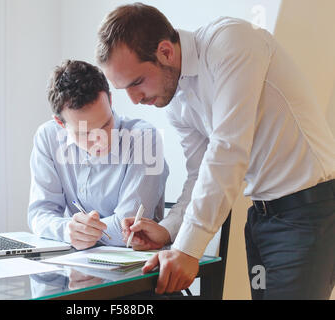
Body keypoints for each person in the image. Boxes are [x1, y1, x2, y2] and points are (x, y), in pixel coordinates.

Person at [96, 3, 335, 299]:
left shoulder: (232, 42)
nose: (134, 100)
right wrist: (169, 230)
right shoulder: (177, 102)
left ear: (165, 52)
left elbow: (228, 149)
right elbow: (199, 175)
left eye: (136, 82)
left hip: (307, 211)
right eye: (124, 90)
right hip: (261, 215)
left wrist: (187, 248)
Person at [28, 59, 169, 250]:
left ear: (110, 100)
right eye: (85, 133)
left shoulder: (143, 138)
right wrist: (68, 230)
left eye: (105, 125)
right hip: (76, 264)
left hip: (134, 267)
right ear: (60, 124)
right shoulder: (48, 136)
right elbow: (40, 213)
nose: (101, 140)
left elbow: (129, 231)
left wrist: (83, 233)